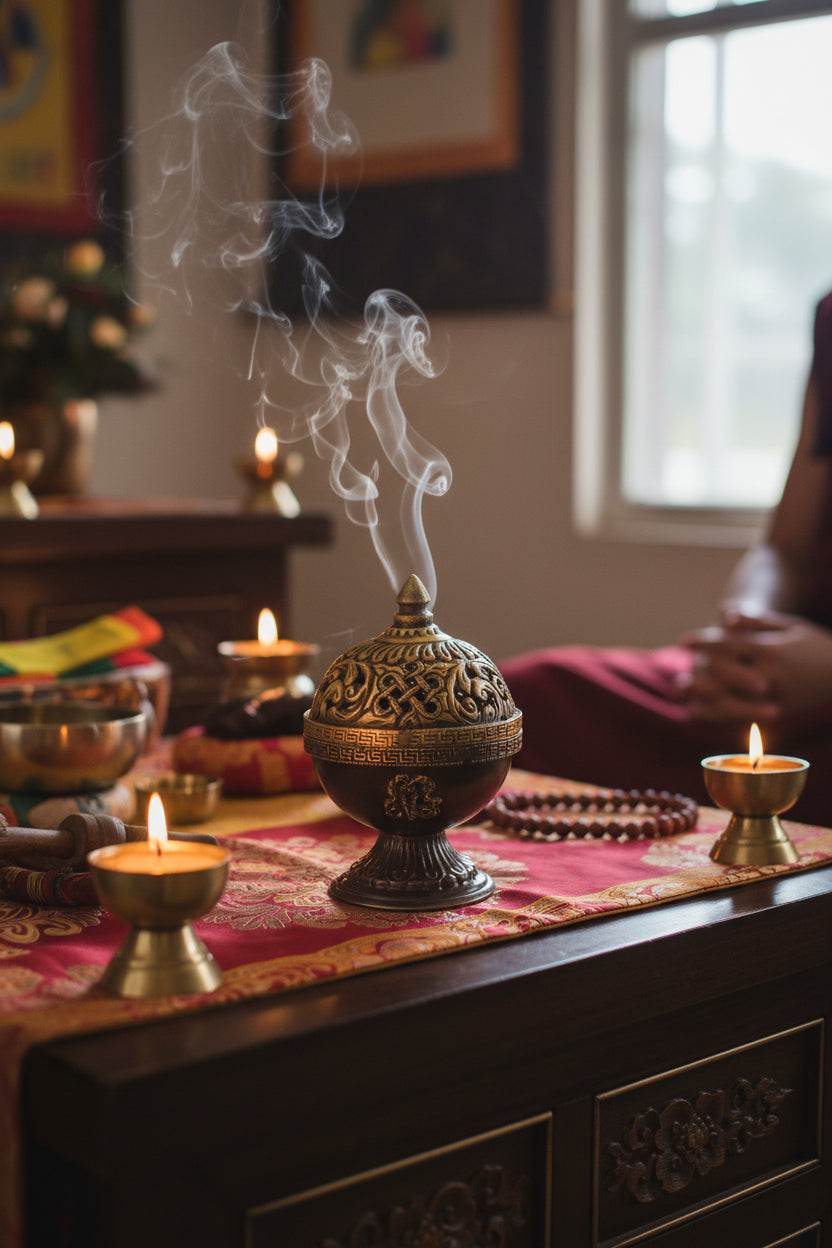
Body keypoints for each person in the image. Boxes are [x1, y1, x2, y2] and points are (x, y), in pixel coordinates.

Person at [500, 291, 832, 826]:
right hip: (782, 674)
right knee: (525, 699)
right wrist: (745, 635)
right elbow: (784, 547)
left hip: (817, 676)